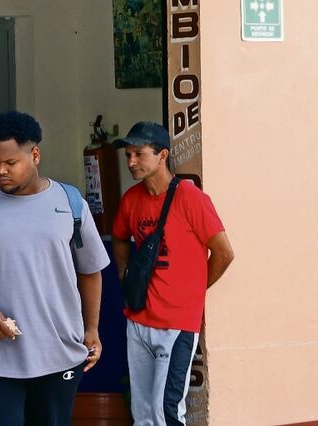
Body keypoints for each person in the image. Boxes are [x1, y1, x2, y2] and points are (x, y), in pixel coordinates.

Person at [0, 111, 110, 426]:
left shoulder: (71, 204)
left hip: (58, 355)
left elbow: (90, 270)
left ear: (34, 155)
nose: (1, 171)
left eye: (10, 163)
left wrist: (92, 329)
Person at [110, 122, 235, 426]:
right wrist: (125, 274)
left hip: (176, 323)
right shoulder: (131, 199)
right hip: (138, 318)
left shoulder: (190, 198)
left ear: (162, 155)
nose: (131, 162)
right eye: (128, 155)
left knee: (165, 409)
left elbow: (224, 252)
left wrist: (194, 290)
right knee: (142, 413)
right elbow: (119, 236)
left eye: (139, 154)